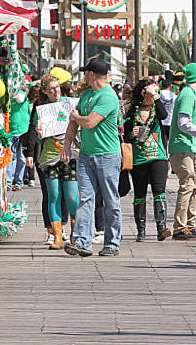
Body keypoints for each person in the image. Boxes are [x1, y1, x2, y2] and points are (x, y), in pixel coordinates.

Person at [61, 58, 122, 257]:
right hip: (87, 155)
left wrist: (75, 117)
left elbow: (89, 122)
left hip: (108, 156)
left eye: (85, 72)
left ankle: (112, 243)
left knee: (110, 200)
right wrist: (67, 145)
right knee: (85, 199)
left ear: (92, 74)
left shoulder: (108, 96)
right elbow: (74, 124)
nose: (83, 76)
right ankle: (81, 242)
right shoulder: (86, 95)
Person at [25, 75, 79, 250]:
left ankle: (76, 231)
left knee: (71, 196)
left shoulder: (70, 103)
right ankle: (57, 235)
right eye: (51, 89)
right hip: (49, 156)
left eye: (57, 87)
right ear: (44, 91)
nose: (56, 91)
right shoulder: (41, 108)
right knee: (53, 195)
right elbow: (37, 135)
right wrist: (39, 133)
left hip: (70, 154)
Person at [123, 79, 171, 242]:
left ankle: (161, 228)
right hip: (139, 158)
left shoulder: (157, 109)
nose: (153, 94)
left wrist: (156, 97)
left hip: (158, 156)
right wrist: (132, 133)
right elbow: (125, 135)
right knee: (140, 193)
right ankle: (141, 230)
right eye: (150, 92)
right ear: (143, 93)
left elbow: (164, 115)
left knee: (159, 190)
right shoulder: (132, 112)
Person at [168, 63, 196, 240]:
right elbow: (183, 122)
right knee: (187, 185)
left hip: (190, 146)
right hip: (182, 146)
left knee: (193, 186)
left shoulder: (191, 93)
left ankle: (191, 224)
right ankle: (179, 226)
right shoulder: (187, 94)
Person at [159, 78, 175, 148]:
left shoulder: (158, 94)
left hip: (161, 121)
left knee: (162, 141)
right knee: (170, 140)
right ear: (170, 86)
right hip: (170, 120)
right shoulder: (173, 95)